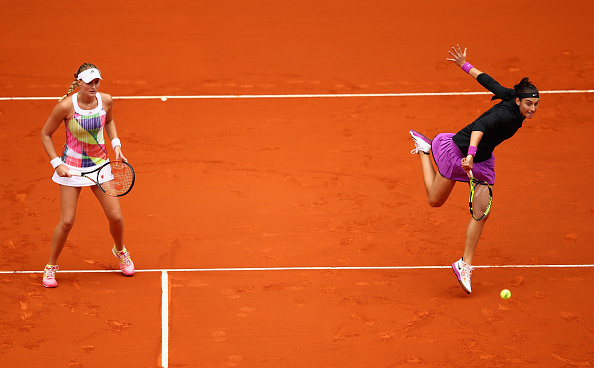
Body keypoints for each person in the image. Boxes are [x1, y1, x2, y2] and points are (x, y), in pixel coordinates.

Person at [409, 45, 539, 294]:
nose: (532, 109)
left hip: (483, 159)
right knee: (434, 201)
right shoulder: (505, 115)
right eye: (529, 104)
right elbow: (480, 126)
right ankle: (425, 151)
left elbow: (490, 82)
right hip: (459, 151)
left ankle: (464, 264)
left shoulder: (511, 97)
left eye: (535, 104)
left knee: (483, 209)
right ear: (519, 101)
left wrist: (465, 65)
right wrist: (469, 155)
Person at [40, 63, 135, 288]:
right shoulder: (65, 107)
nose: (94, 86)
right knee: (67, 222)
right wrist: (56, 164)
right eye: (89, 82)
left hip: (100, 166)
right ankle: (50, 267)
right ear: (79, 82)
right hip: (71, 168)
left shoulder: (106, 100)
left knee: (116, 217)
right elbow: (45, 134)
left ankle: (120, 250)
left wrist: (117, 145)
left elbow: (109, 121)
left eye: (97, 82)